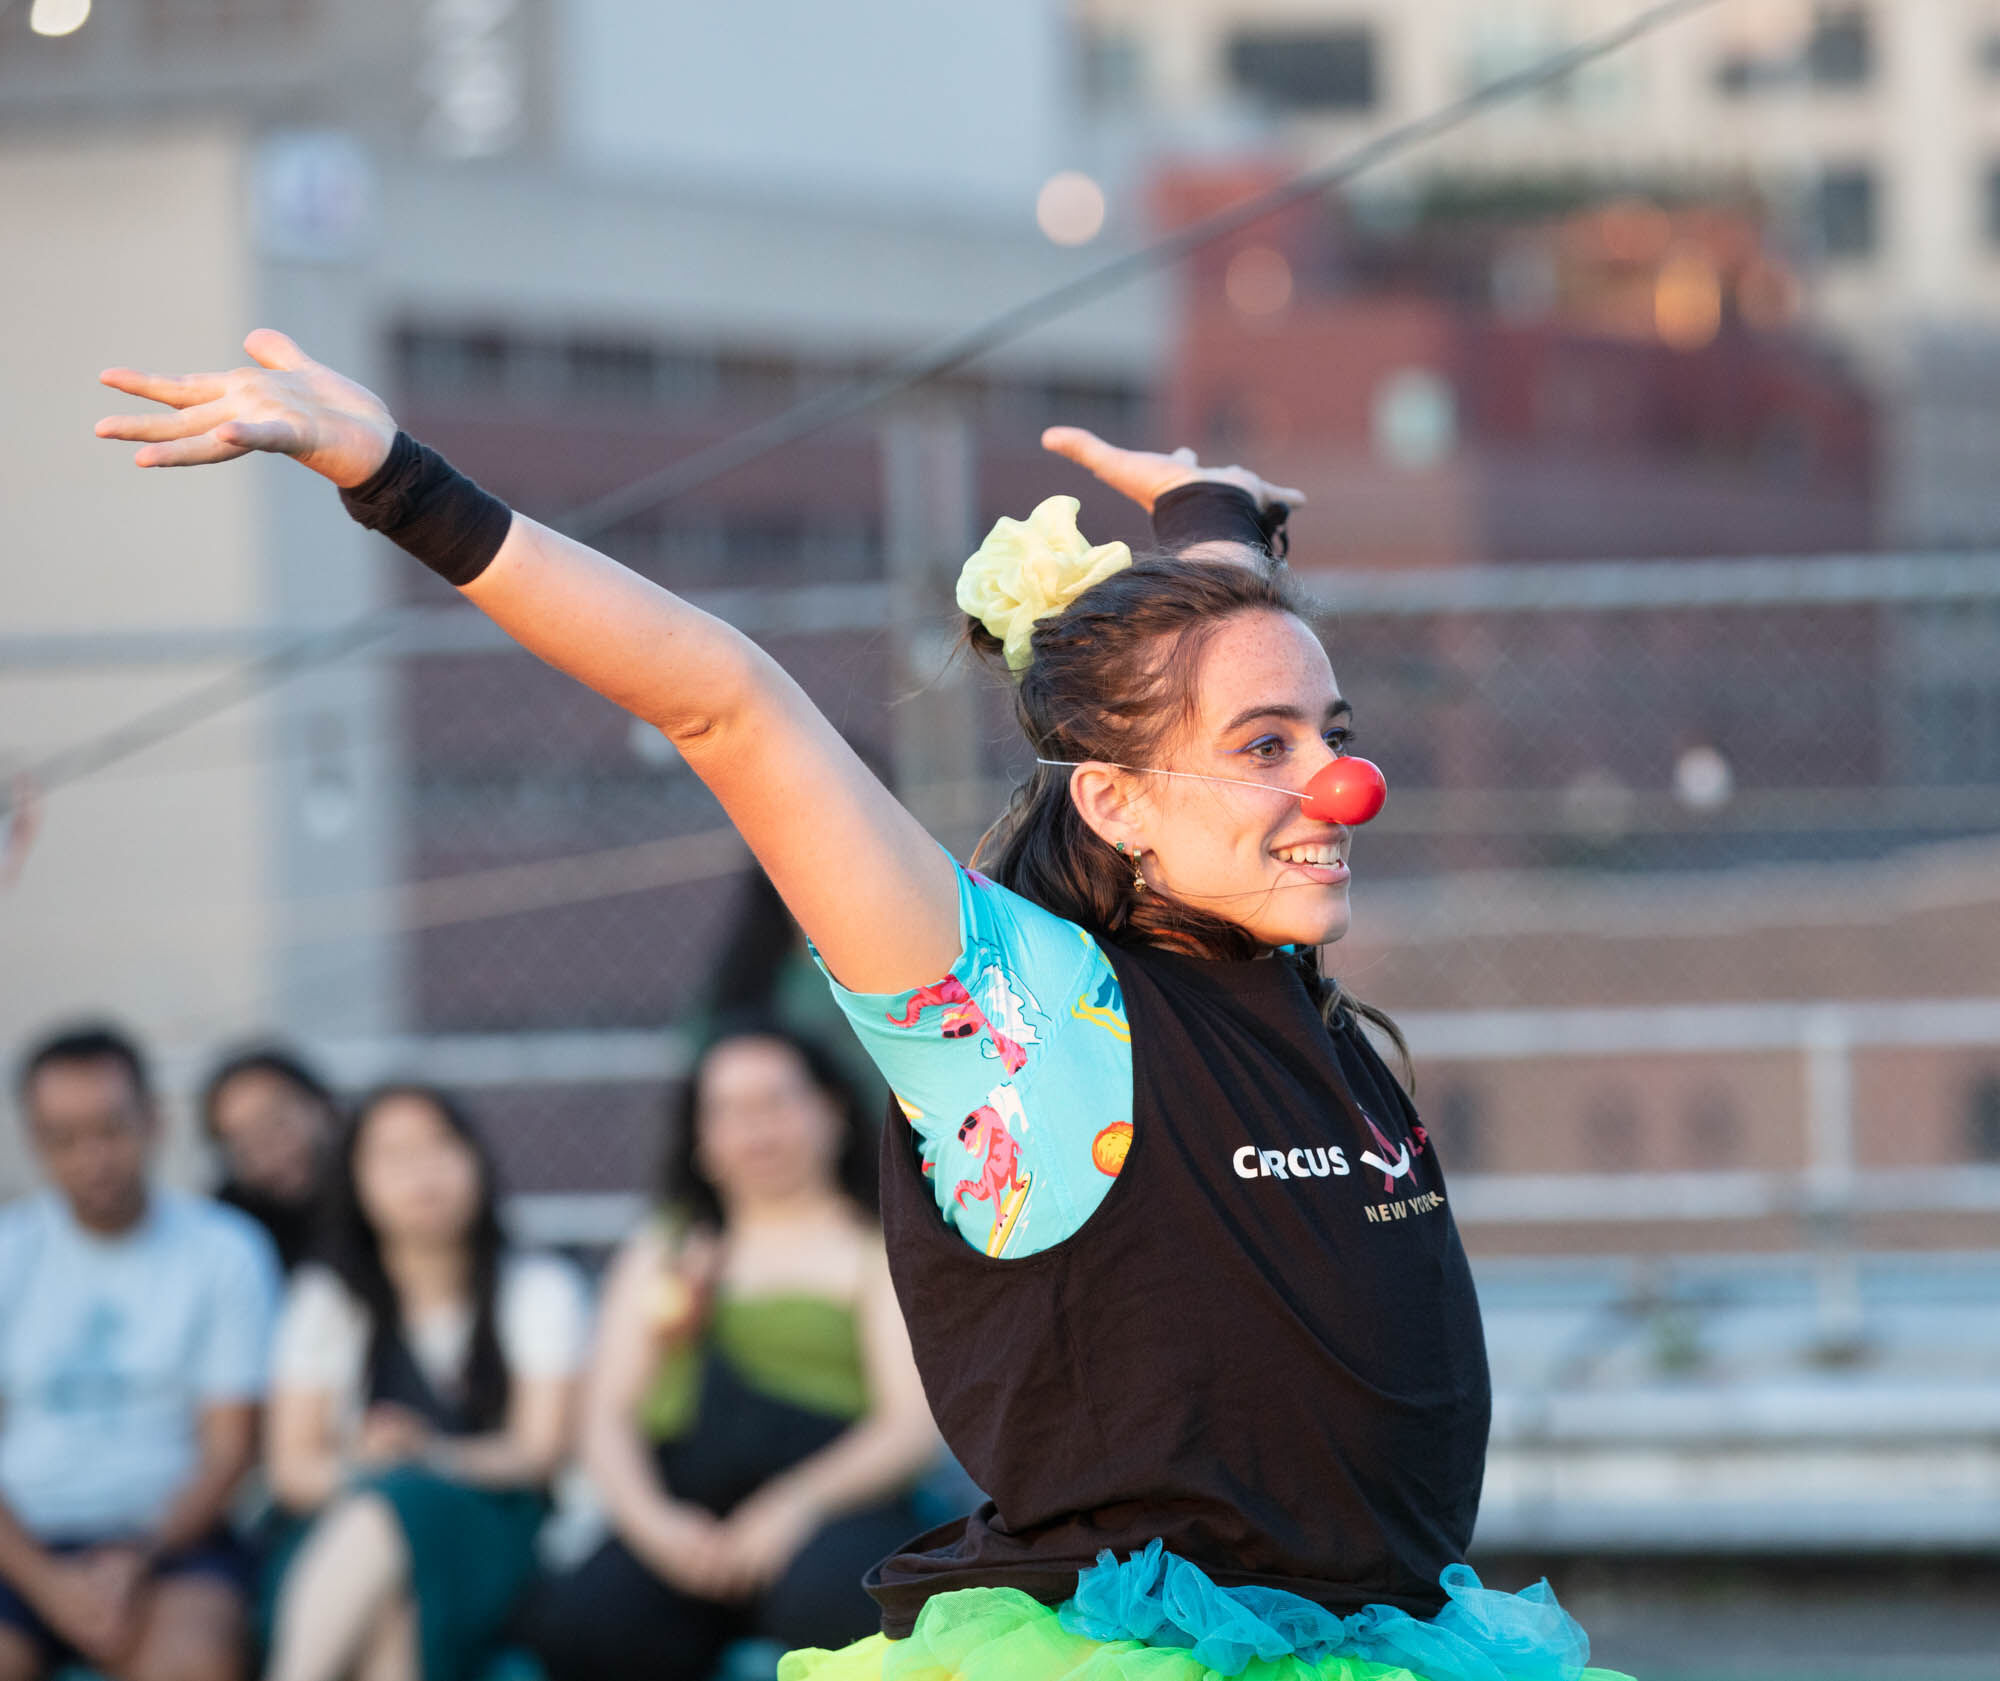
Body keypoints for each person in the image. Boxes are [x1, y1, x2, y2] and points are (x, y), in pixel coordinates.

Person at [97, 334, 1633, 1681]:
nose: (1335, 784)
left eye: (1333, 732)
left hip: (1399, 1642)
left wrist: (1211, 518)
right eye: (1268, 747)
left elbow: (1212, 678)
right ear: (1116, 800)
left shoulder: (1289, 985)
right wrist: (395, 477)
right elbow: (725, 702)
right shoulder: (1030, 1022)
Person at [520, 1020, 937, 1681]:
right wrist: (654, 1524)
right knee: (588, 1619)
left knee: (838, 1603)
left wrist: (792, 1506)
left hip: (836, 1503)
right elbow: (607, 1416)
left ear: (831, 1110)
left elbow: (909, 1426)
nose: (756, 1128)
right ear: (701, 1138)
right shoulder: (668, 1246)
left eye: (776, 1100)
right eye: (729, 1110)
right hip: (684, 1510)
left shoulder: (878, 1243)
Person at [261, 1084, 587, 1681]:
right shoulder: (327, 1302)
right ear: (354, 1179)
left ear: (475, 1160)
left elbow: (538, 1453)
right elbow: (292, 1471)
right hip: (338, 1545)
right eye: (393, 1155)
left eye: (440, 1146)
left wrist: (421, 1459)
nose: (422, 1173)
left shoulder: (539, 1289)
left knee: (403, 1505)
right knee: (391, 1569)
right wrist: (373, 1467)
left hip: (492, 1539)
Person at [0, 1023, 281, 1681]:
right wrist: (45, 1581)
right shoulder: (9, 1252)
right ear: (33, 1141)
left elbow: (230, 1448)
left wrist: (138, 1557)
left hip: (176, 1543)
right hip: (20, 1541)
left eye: (110, 1129)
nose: (91, 1156)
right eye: (62, 1139)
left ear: (155, 1121)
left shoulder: (225, 1249)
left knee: (193, 1663)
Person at [200, 1045, 340, 1274]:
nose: (267, 1149)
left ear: (323, 1106)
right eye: (242, 1142)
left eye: (277, 1122)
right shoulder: (231, 1227)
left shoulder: (383, 1194)